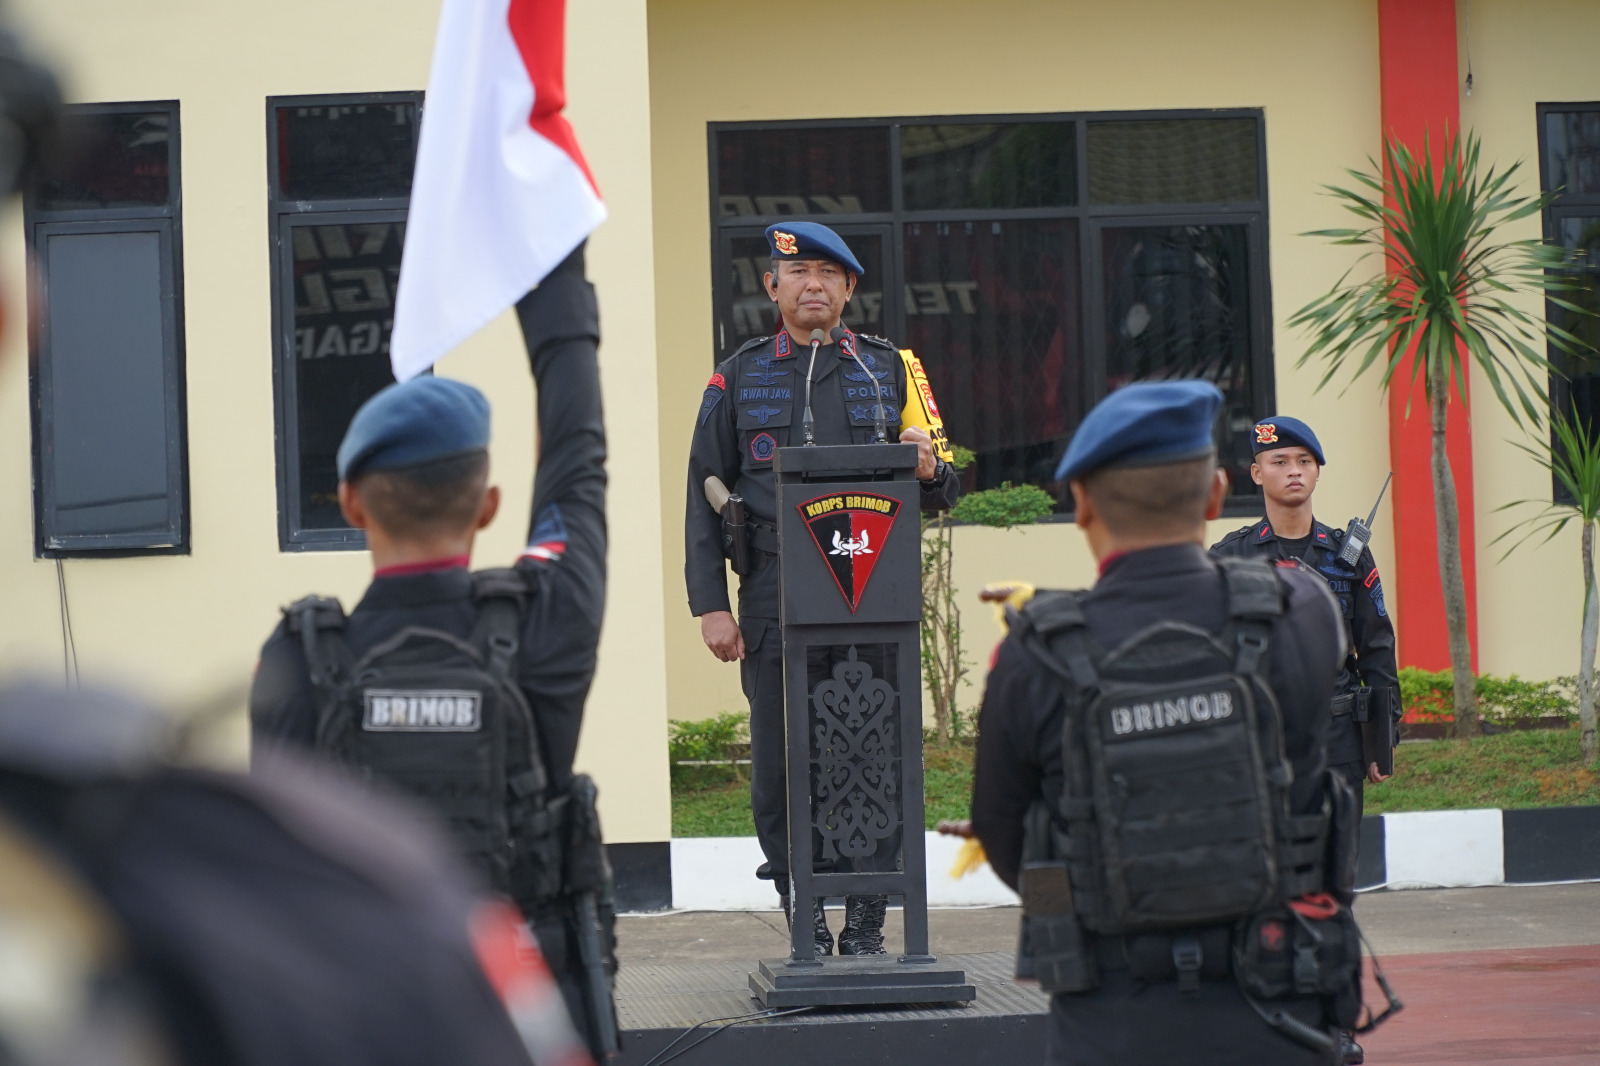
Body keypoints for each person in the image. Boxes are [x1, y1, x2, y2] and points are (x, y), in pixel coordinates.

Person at [249, 244, 617, 1057]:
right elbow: (577, 461)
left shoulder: (296, 659)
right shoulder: (546, 618)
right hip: (520, 1024)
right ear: (488, 505)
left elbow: (273, 882)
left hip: (360, 1023)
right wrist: (555, 265)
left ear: (351, 503)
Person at [971, 381, 1367, 1066]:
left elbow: (1005, 837)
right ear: (1215, 494)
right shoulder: (1300, 612)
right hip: (1281, 1011)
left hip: (1111, 1023)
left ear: (1082, 503)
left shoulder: (1035, 656)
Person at [684, 221, 960, 955]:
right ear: (772, 286)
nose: (814, 284)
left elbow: (946, 485)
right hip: (774, 594)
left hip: (874, 593)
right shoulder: (739, 376)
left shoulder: (890, 369)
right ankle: (800, 907)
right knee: (783, 762)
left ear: (849, 288)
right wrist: (711, 605)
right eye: (799, 271)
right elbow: (701, 494)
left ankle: (867, 917)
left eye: (829, 274)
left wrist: (930, 468)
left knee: (875, 754)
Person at [1210, 416, 1400, 804]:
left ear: (1317, 472)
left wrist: (1383, 735)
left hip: (1338, 737)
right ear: (1257, 473)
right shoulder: (1229, 558)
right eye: (1279, 462)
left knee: (1340, 842)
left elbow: (1377, 646)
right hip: (1258, 740)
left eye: (1304, 461)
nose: (1294, 471)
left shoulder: (1349, 556)